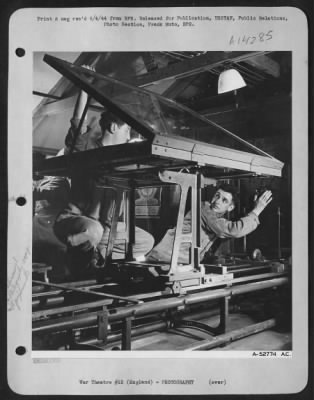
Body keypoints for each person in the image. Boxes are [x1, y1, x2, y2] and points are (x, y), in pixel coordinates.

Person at [53, 77, 154, 279]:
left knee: (145, 240)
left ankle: (98, 259)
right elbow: (77, 124)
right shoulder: (87, 148)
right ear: (114, 128)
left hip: (105, 229)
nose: (128, 136)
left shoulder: (120, 162)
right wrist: (83, 88)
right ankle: (78, 267)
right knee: (93, 230)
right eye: (127, 130)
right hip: (75, 221)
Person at [146, 183, 272, 266]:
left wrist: (253, 209)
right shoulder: (204, 209)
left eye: (224, 200)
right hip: (163, 260)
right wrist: (257, 210)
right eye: (217, 195)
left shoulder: (215, 218)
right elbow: (232, 230)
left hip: (174, 261)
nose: (217, 201)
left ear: (230, 207)